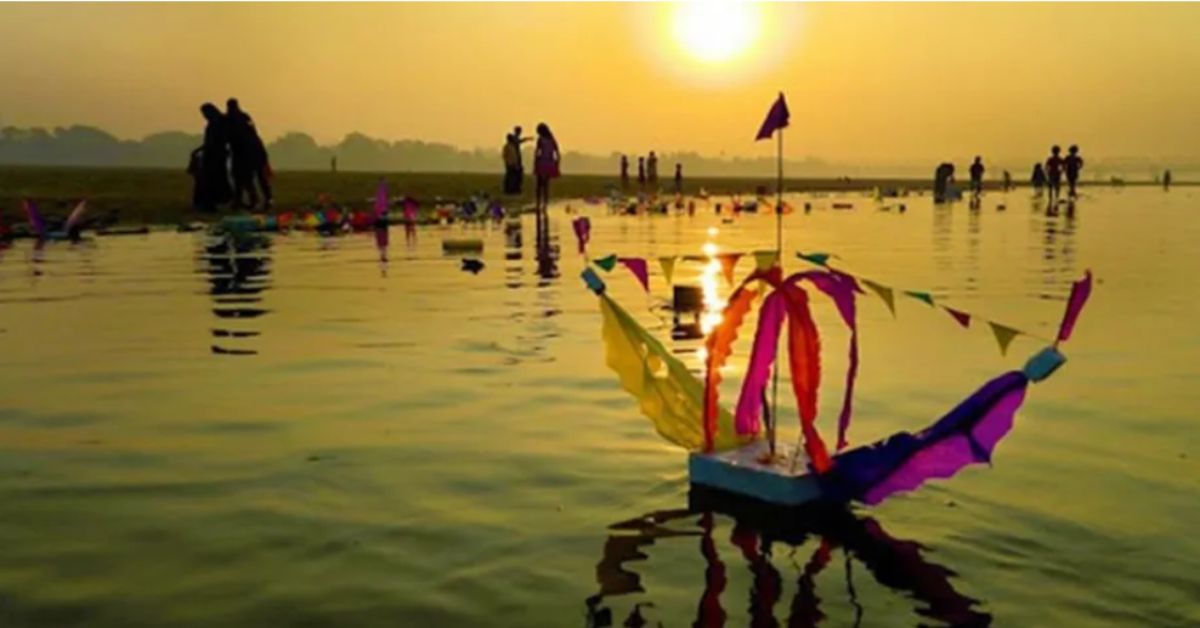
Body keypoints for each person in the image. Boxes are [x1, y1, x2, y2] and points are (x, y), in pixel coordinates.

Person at [226, 98, 272, 209]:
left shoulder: (230, 119)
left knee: (243, 178)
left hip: (243, 153)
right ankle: (264, 199)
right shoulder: (244, 117)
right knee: (255, 177)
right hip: (253, 150)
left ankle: (249, 200)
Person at [192, 103, 232, 211]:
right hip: (214, 154)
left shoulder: (217, 124)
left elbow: (214, 141)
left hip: (215, 155)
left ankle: (211, 202)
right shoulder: (218, 122)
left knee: (212, 179)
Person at [533, 123, 560, 215]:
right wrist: (557, 162)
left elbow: (537, 151)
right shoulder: (552, 140)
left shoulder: (541, 140)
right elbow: (557, 151)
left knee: (539, 184)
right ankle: (544, 203)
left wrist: (535, 161)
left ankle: (539, 203)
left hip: (543, 162)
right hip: (549, 162)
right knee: (545, 185)